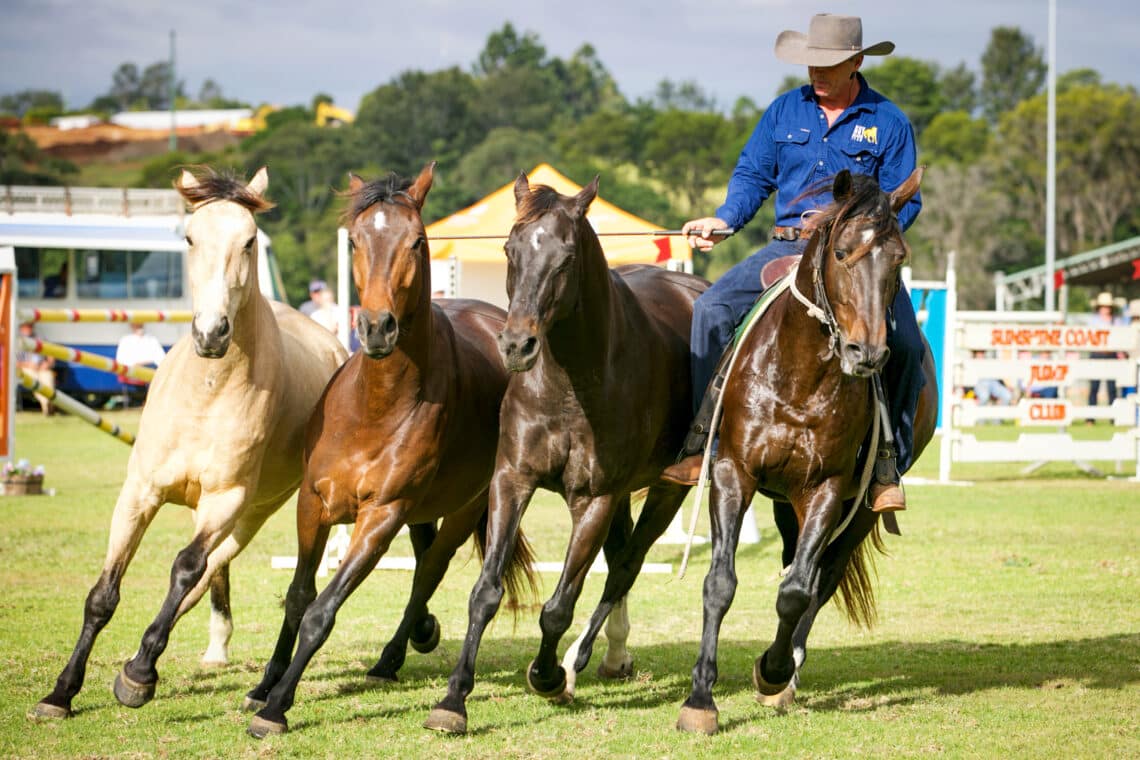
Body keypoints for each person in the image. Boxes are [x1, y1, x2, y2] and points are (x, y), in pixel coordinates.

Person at [661, 13, 925, 515]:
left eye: (829, 64)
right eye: (811, 64)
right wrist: (724, 220)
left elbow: (905, 201)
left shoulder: (888, 122)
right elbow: (752, 174)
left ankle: (888, 465)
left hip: (857, 261)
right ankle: (702, 443)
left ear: (857, 62)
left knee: (908, 345)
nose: (817, 73)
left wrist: (868, 243)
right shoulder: (784, 112)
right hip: (787, 248)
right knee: (712, 310)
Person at [114, 322, 166, 408]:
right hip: (132, 370)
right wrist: (136, 365)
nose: (138, 326)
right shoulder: (126, 340)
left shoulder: (151, 339)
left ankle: (149, 401)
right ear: (131, 325)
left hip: (150, 369)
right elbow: (121, 360)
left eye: (140, 323)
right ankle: (146, 401)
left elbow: (161, 358)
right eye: (136, 324)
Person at [1086, 291, 1123, 412]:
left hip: (1111, 355)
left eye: (1107, 306)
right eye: (1103, 306)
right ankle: (1090, 417)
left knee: (1112, 388)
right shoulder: (1093, 321)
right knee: (1094, 387)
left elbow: (1119, 339)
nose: (1105, 309)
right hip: (1096, 354)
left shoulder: (1117, 321)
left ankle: (1113, 415)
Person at [15, 321, 56, 415]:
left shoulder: (40, 338)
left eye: (30, 326)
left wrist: (47, 364)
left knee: (48, 378)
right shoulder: (16, 340)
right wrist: (28, 364)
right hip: (25, 368)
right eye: (26, 326)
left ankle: (49, 402)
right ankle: (46, 404)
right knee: (34, 380)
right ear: (21, 328)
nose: (29, 328)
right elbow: (12, 362)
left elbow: (51, 355)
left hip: (41, 367)